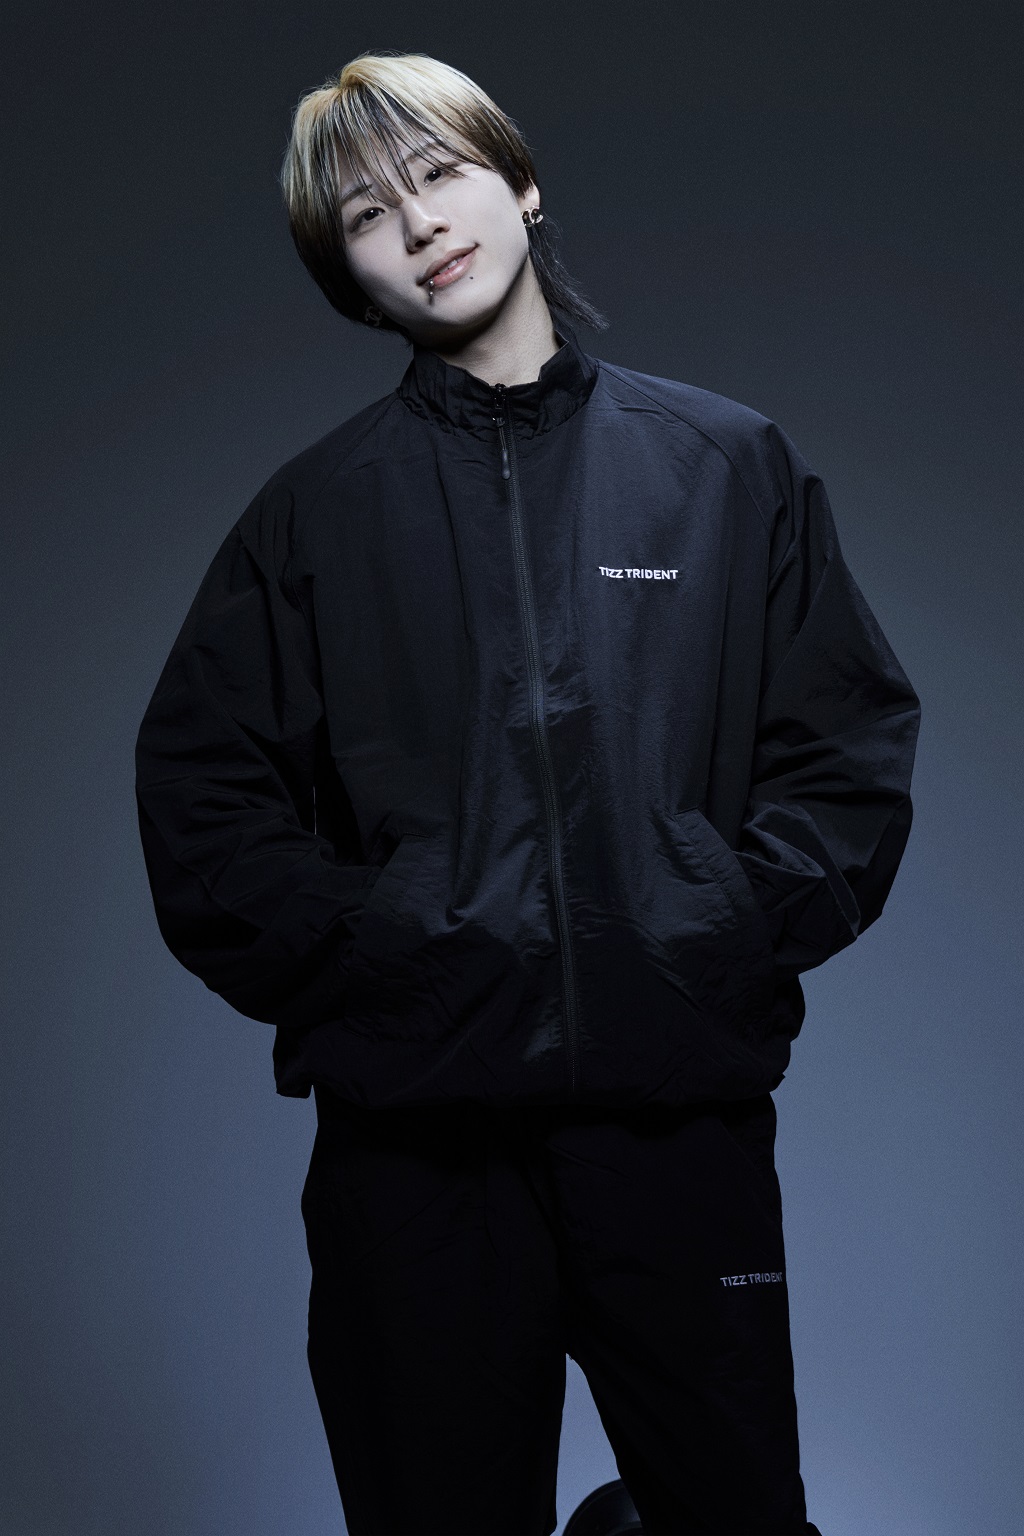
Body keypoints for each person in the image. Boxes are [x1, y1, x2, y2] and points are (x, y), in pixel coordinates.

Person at [134, 48, 920, 1536]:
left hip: (676, 1130)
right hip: (415, 1156)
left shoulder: (723, 465)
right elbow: (202, 802)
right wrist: (388, 949)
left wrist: (715, 924)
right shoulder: (313, 515)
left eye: (440, 174)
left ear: (522, 183)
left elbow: (847, 747)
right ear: (351, 279)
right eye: (369, 214)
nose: (421, 224)